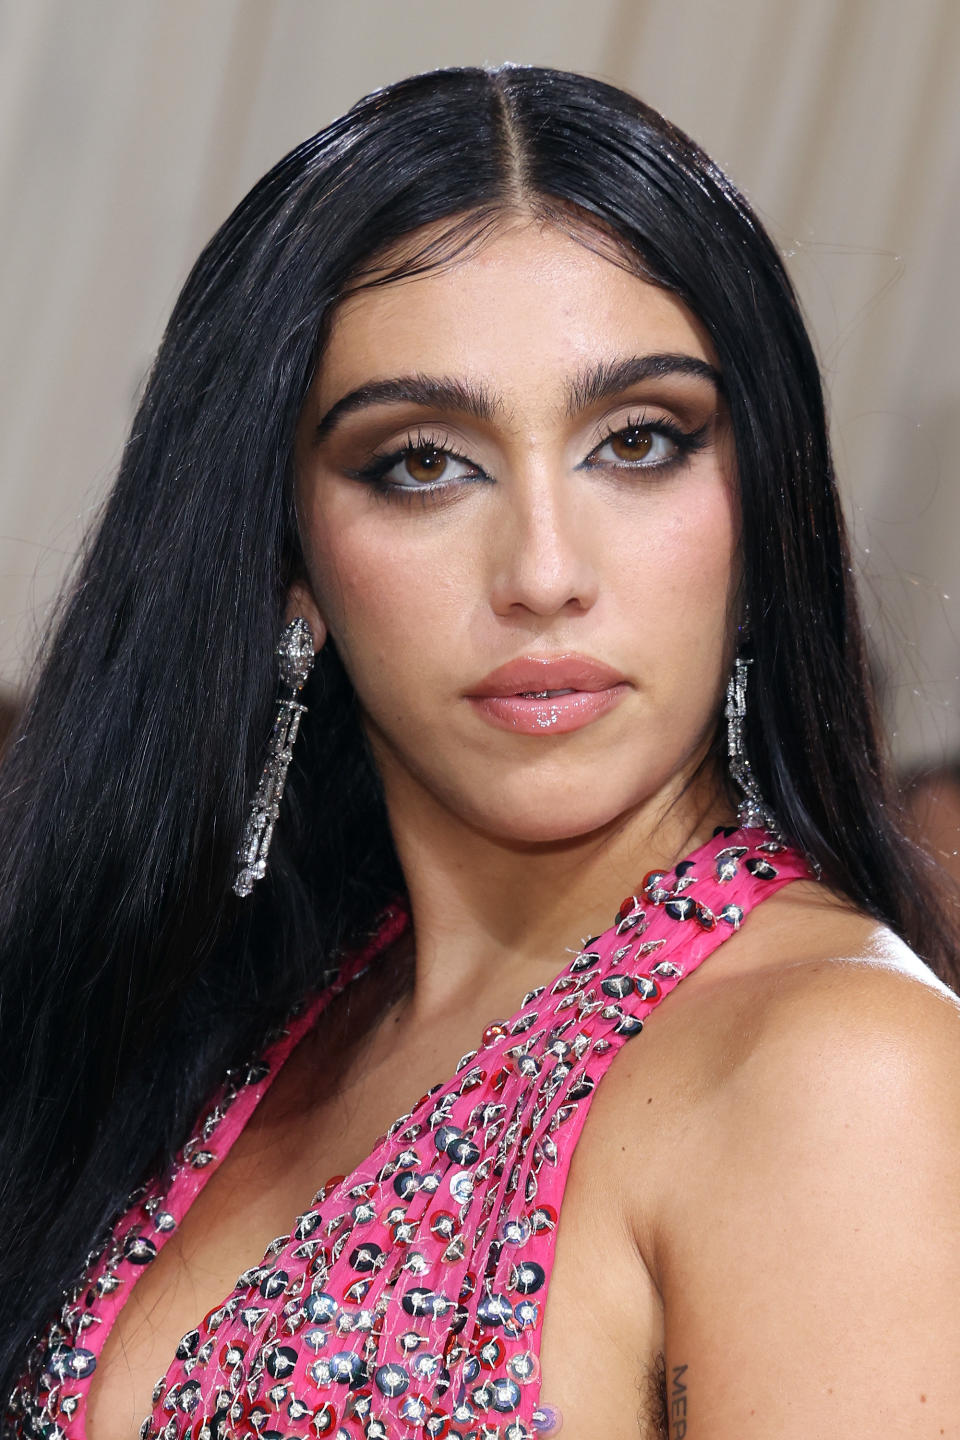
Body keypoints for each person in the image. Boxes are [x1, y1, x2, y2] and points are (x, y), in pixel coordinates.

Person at [1, 63, 958, 1440]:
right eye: (421, 462)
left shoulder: (834, 1073)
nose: (544, 573)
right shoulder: (244, 1016)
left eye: (639, 442)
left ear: (760, 506)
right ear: (292, 565)